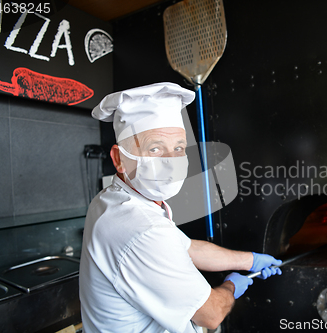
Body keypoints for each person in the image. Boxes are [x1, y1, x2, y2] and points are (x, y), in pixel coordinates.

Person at [79, 82, 282, 333]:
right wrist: (231, 286)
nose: (172, 161)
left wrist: (249, 260)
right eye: (155, 148)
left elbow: (187, 247)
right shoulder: (142, 228)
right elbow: (211, 314)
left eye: (178, 148)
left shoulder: (115, 199)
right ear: (119, 159)